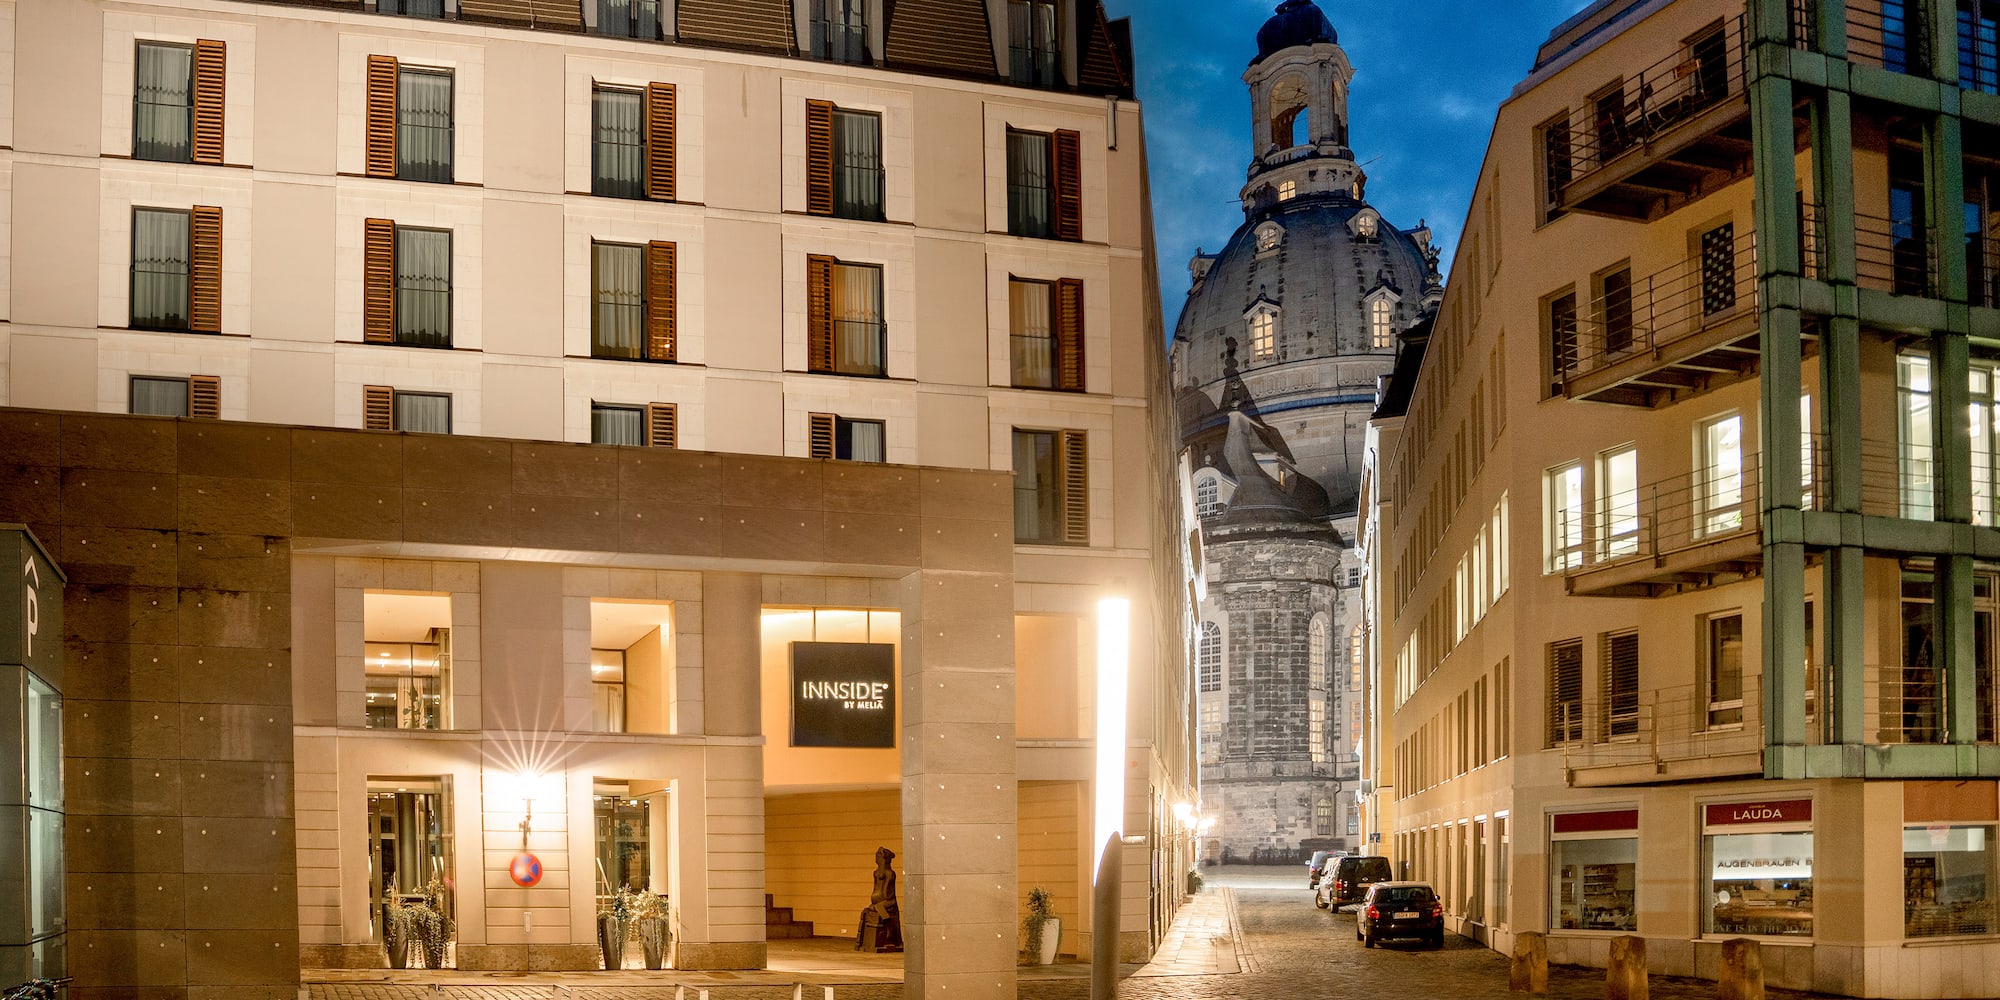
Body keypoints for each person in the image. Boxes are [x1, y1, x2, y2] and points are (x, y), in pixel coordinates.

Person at [856, 846, 903, 952]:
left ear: (883, 858)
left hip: (888, 901)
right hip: (878, 900)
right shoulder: (876, 872)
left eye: (878, 855)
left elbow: (888, 894)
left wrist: (878, 901)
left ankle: (889, 929)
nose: (876, 857)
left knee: (879, 908)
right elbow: (875, 888)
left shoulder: (890, 873)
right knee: (871, 909)